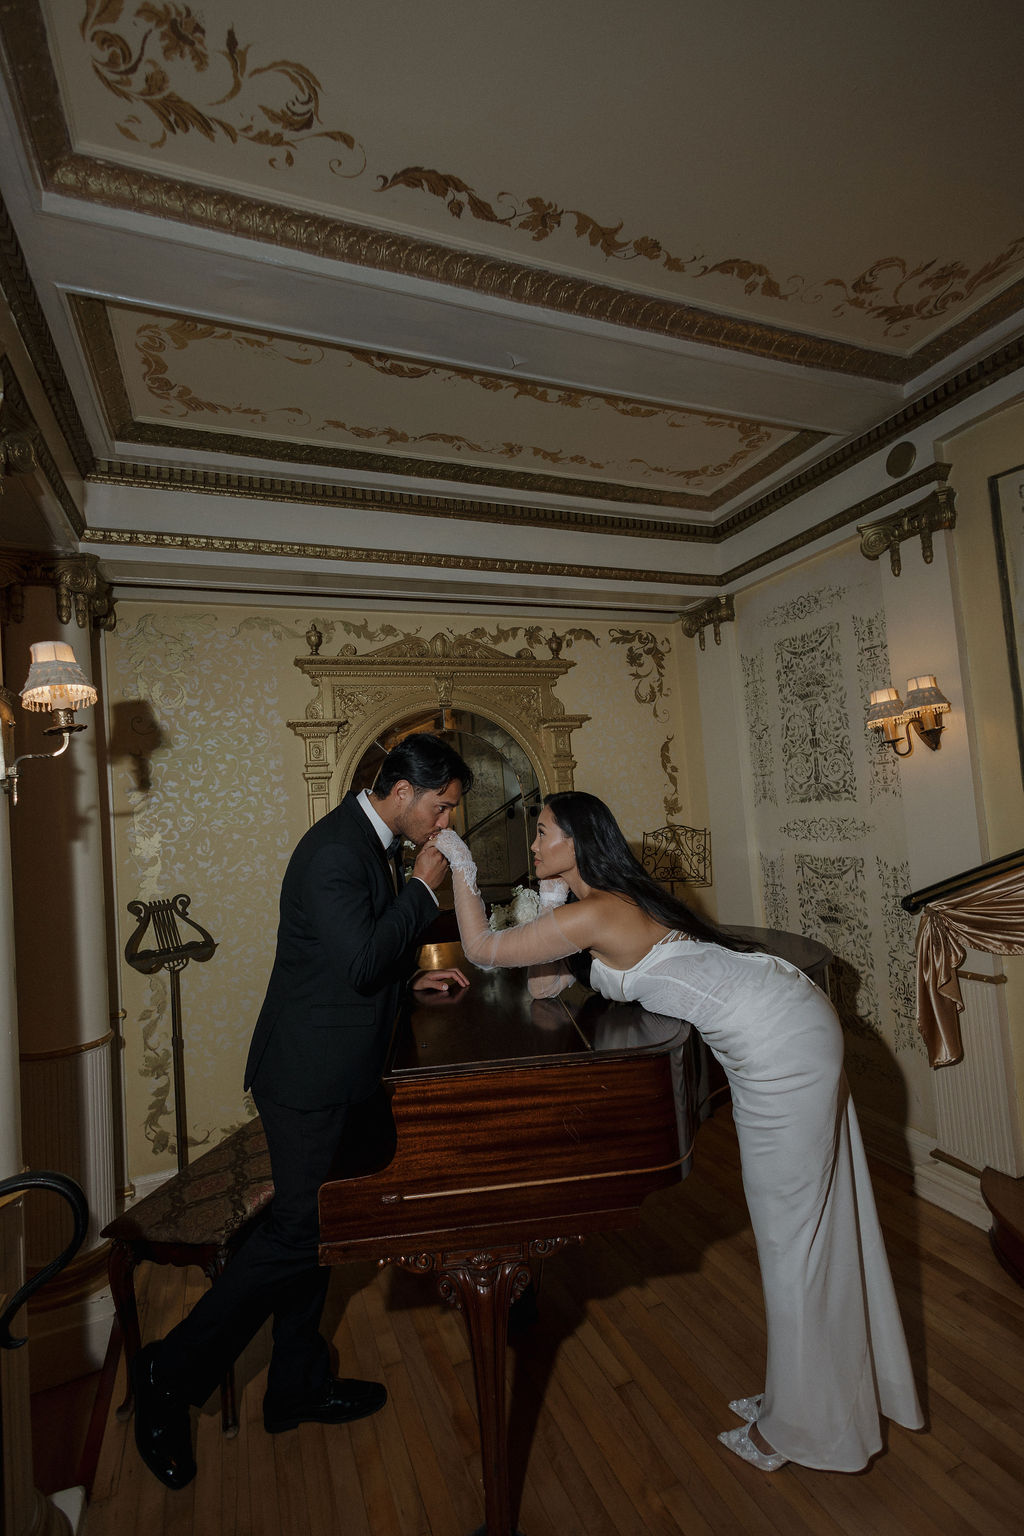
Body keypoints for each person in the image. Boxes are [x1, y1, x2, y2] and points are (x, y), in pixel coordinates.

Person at [434, 792, 924, 1474]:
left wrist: (459, 859)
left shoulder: (600, 909)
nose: (533, 845)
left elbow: (485, 950)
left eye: (543, 834)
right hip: (782, 1023)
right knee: (807, 1226)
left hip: (783, 1045)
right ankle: (808, 1398)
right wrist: (550, 893)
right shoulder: (597, 903)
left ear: (578, 840)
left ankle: (807, 1429)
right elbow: (545, 988)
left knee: (793, 1238)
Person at [133, 734, 472, 1490]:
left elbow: (354, 963)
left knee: (323, 1230)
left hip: (340, 1066)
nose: (447, 821)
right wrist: (422, 887)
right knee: (301, 1231)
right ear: (401, 788)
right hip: (307, 1077)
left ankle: (295, 1384)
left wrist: (404, 987)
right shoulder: (336, 849)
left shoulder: (370, 841)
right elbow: (358, 957)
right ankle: (168, 1374)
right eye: (442, 804)